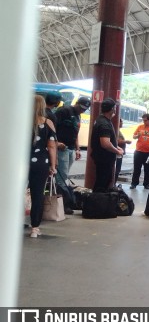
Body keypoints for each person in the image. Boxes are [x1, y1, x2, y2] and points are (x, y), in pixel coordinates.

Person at [28, 95, 57, 238]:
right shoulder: (48, 123)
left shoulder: (20, 121)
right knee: (37, 195)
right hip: (40, 163)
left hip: (20, 164)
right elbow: (52, 146)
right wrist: (53, 165)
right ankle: (34, 228)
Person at [54, 96, 91, 190]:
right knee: (62, 174)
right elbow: (52, 128)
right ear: (76, 104)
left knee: (64, 173)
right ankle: (61, 195)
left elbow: (75, 132)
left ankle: (61, 192)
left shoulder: (79, 115)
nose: (82, 111)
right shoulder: (64, 111)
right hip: (61, 147)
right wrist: (56, 142)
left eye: (84, 110)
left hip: (71, 147)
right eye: (81, 108)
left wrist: (77, 148)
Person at [90, 98, 123, 192]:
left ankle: (97, 202)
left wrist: (117, 146)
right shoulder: (104, 123)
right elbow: (105, 143)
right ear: (113, 109)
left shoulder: (101, 119)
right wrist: (117, 151)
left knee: (103, 181)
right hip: (104, 158)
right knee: (102, 183)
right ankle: (97, 203)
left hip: (102, 158)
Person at [130, 113, 149, 189]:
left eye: (145, 120)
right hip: (138, 151)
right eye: (143, 120)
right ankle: (134, 183)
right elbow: (133, 136)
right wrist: (137, 136)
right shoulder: (140, 127)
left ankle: (146, 184)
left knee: (147, 169)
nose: (144, 122)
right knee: (137, 168)